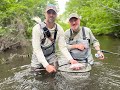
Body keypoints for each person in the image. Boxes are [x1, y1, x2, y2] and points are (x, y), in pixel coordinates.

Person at [31, 4, 80, 74]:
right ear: (45, 14)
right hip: (37, 57)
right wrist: (46, 65)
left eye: (53, 13)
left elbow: (62, 47)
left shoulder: (60, 29)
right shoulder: (37, 29)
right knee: (36, 76)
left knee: (55, 74)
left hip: (51, 55)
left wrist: (71, 60)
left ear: (56, 15)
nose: (51, 15)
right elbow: (37, 50)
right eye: (49, 12)